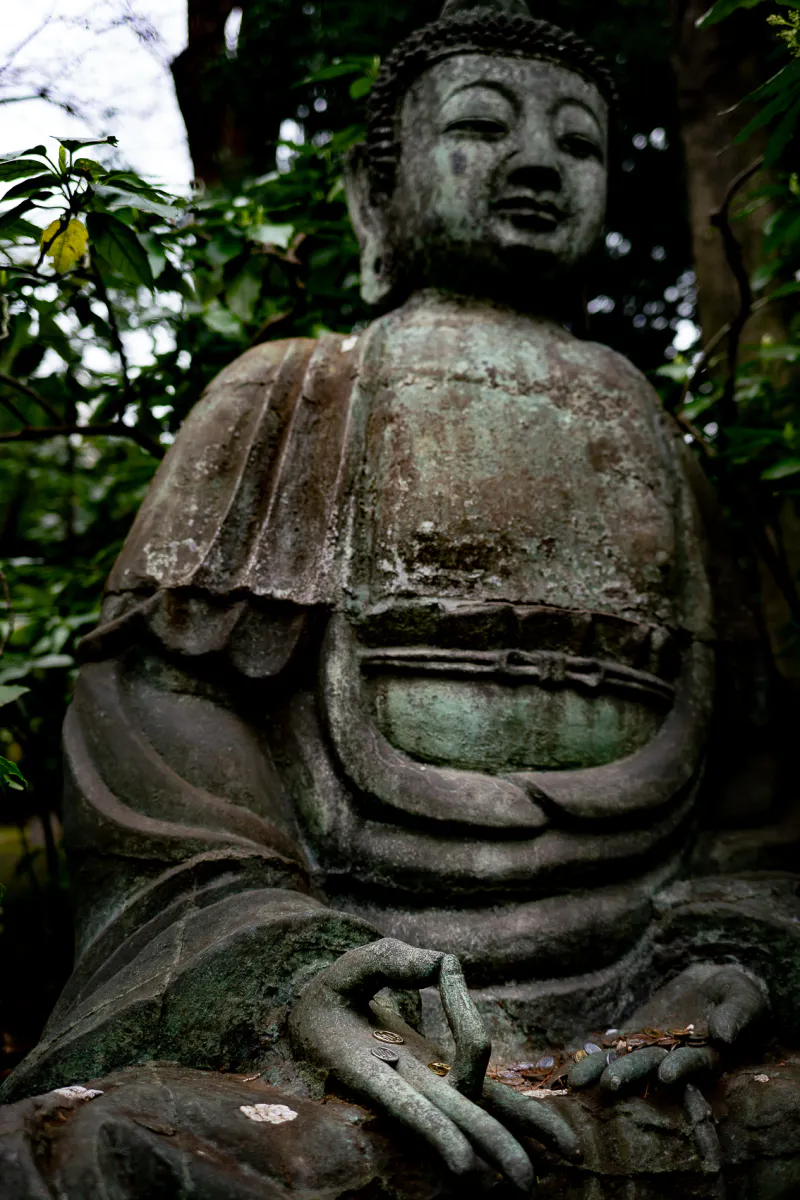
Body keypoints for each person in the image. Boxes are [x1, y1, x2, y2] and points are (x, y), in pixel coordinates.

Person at [3, 2, 796, 1195]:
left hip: (644, 1025)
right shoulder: (295, 393)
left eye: (579, 144)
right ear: (375, 196)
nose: (537, 163)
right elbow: (157, 724)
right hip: (362, 1002)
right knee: (92, 1154)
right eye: (482, 127)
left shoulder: (661, 441)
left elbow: (752, 790)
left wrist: (724, 959)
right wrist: (288, 974)